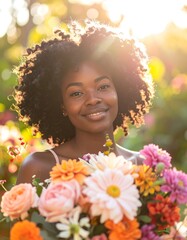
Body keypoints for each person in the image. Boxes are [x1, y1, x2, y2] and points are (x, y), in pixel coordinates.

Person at [13, 20, 154, 184]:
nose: (93, 99)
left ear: (119, 90)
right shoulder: (40, 167)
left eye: (103, 87)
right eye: (77, 93)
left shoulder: (143, 167)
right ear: (62, 105)